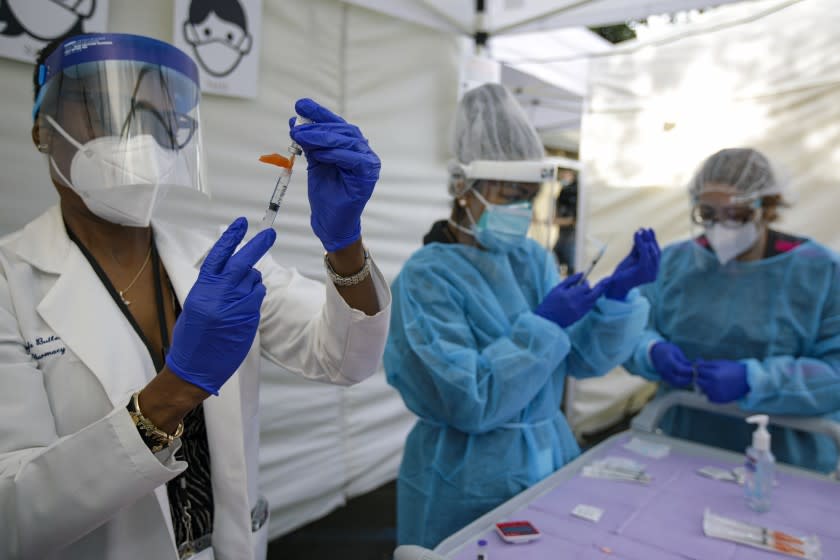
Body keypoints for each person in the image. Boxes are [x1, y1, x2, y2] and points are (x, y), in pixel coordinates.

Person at [0, 33, 390, 560]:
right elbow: (13, 514)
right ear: (41, 132)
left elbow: (344, 357)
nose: (139, 136)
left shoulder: (211, 257)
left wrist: (345, 245)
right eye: (104, 107)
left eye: (161, 119)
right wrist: (176, 389)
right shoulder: (10, 280)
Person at [384, 83, 660, 548]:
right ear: (462, 189)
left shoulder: (531, 258)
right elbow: (471, 400)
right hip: (463, 477)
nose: (520, 210)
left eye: (528, 197)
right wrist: (545, 325)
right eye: (508, 195)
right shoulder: (425, 278)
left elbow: (581, 360)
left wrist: (617, 299)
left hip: (548, 458)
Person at [623, 147, 840, 474]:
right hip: (683, 446)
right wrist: (652, 351)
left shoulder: (820, 271)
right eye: (708, 214)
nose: (721, 226)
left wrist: (754, 380)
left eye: (736, 214)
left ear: (768, 208)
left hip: (786, 463)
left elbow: (835, 372)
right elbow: (630, 329)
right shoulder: (676, 263)